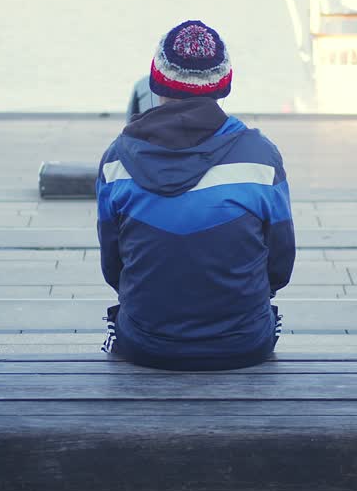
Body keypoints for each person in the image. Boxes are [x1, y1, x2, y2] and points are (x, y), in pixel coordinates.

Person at [96, 20, 295, 371]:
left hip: (145, 343)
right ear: (225, 84)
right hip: (243, 343)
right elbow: (280, 265)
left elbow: (114, 266)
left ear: (156, 82)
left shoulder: (116, 160)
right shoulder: (261, 158)